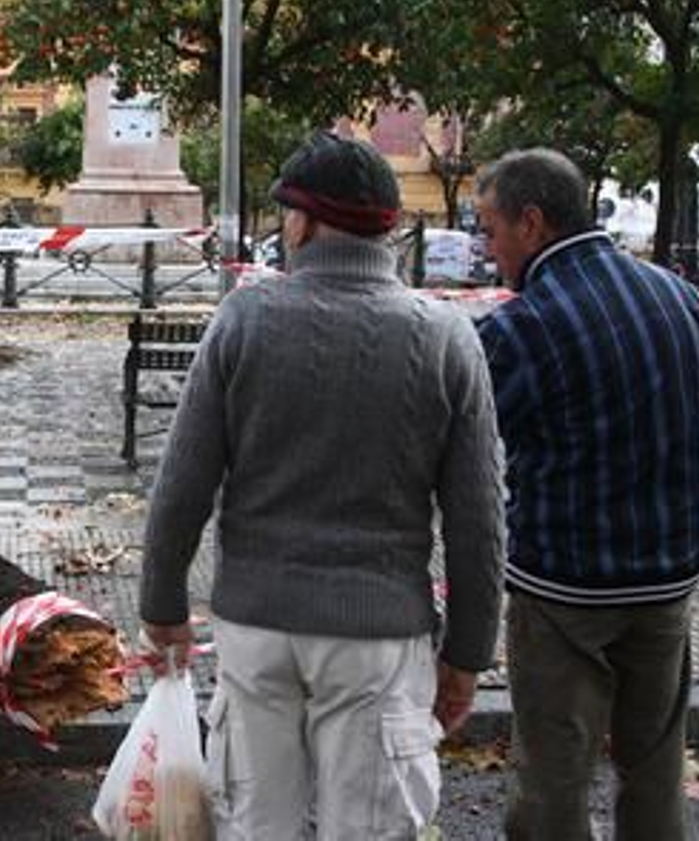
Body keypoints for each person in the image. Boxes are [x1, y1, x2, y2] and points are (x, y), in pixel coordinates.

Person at [138, 132, 506, 839]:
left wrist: (163, 604)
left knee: (256, 823)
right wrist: (466, 655)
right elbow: (478, 521)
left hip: (255, 628)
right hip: (379, 638)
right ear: (391, 228)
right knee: (369, 826)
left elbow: (182, 479)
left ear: (302, 223)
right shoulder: (445, 336)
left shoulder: (243, 318)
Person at [473, 149, 699, 841]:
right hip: (668, 580)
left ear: (532, 223)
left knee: (554, 777)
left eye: (490, 229)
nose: (487, 248)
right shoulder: (678, 296)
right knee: (655, 770)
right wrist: (687, 533)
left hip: (565, 592)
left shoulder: (521, 327)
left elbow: (464, 447)